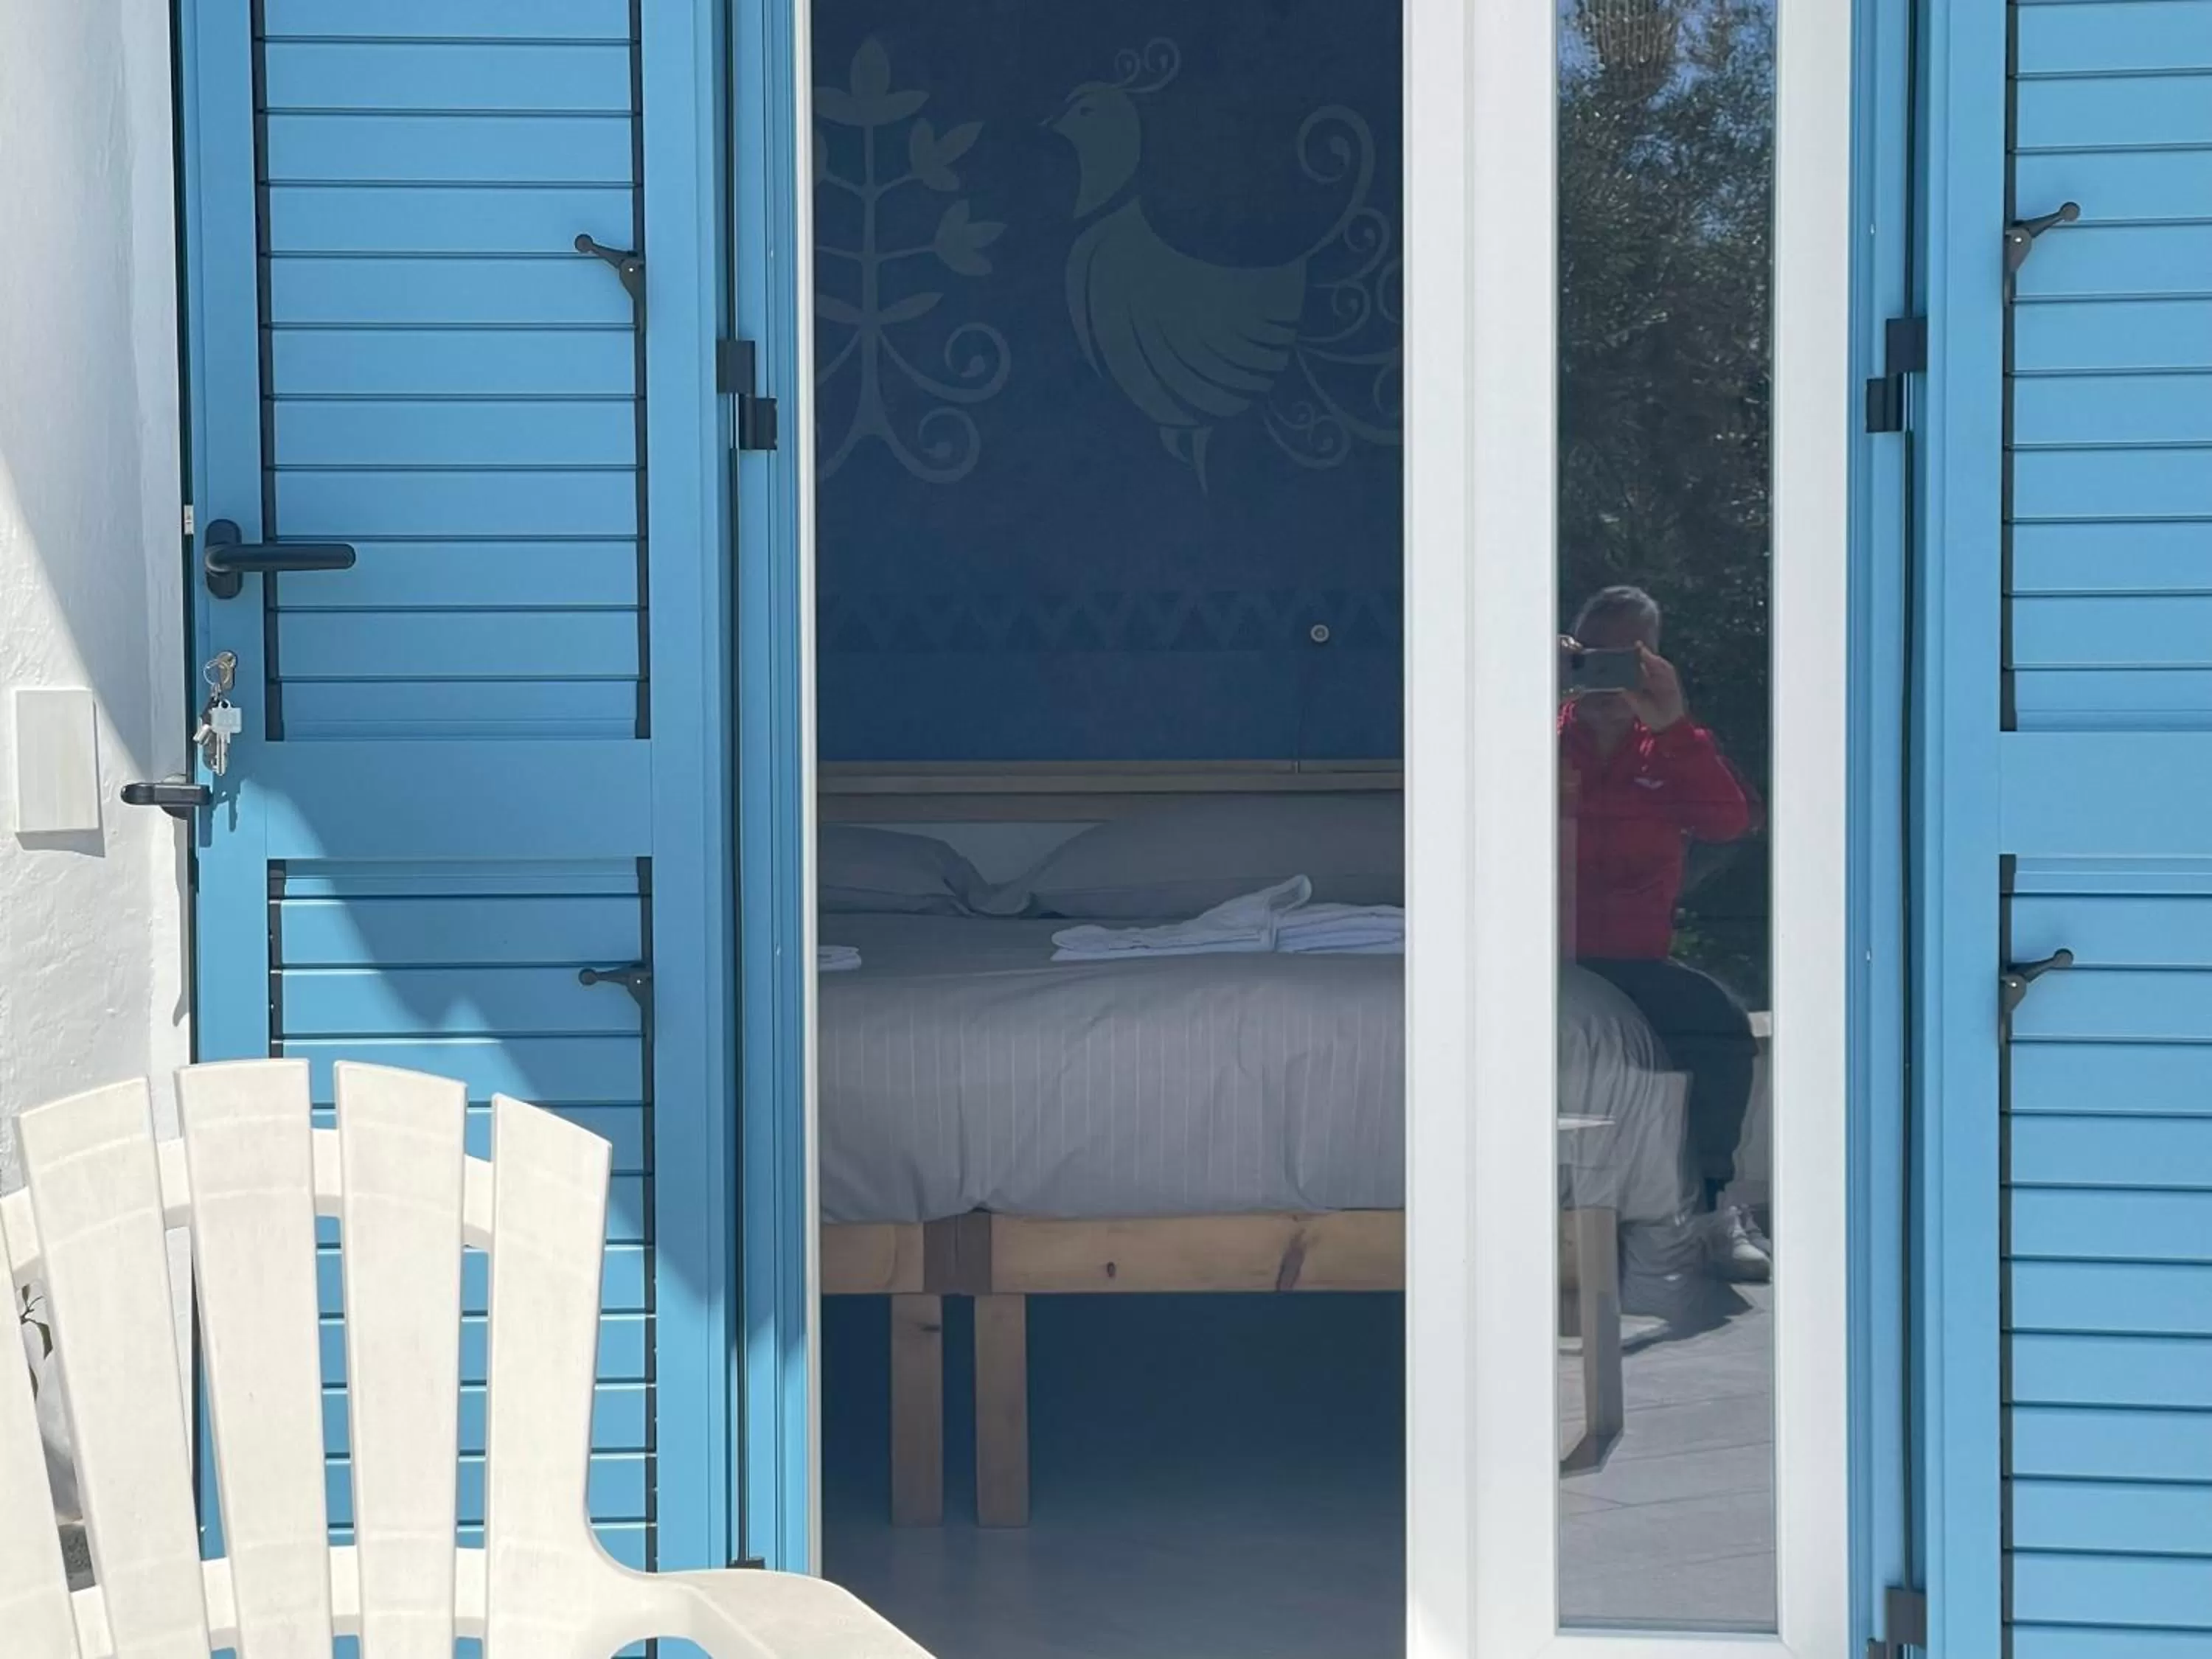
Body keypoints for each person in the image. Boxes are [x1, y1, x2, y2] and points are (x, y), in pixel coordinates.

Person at [1559, 585, 1769, 1281]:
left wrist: (1674, 725)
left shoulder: (1669, 749)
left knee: (1722, 1029)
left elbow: (1730, 824)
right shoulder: (1535, 737)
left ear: (1655, 661)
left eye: (1628, 659)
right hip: (1536, 960)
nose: (1609, 680)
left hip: (1634, 967)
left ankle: (1711, 1211)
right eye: (1595, 658)